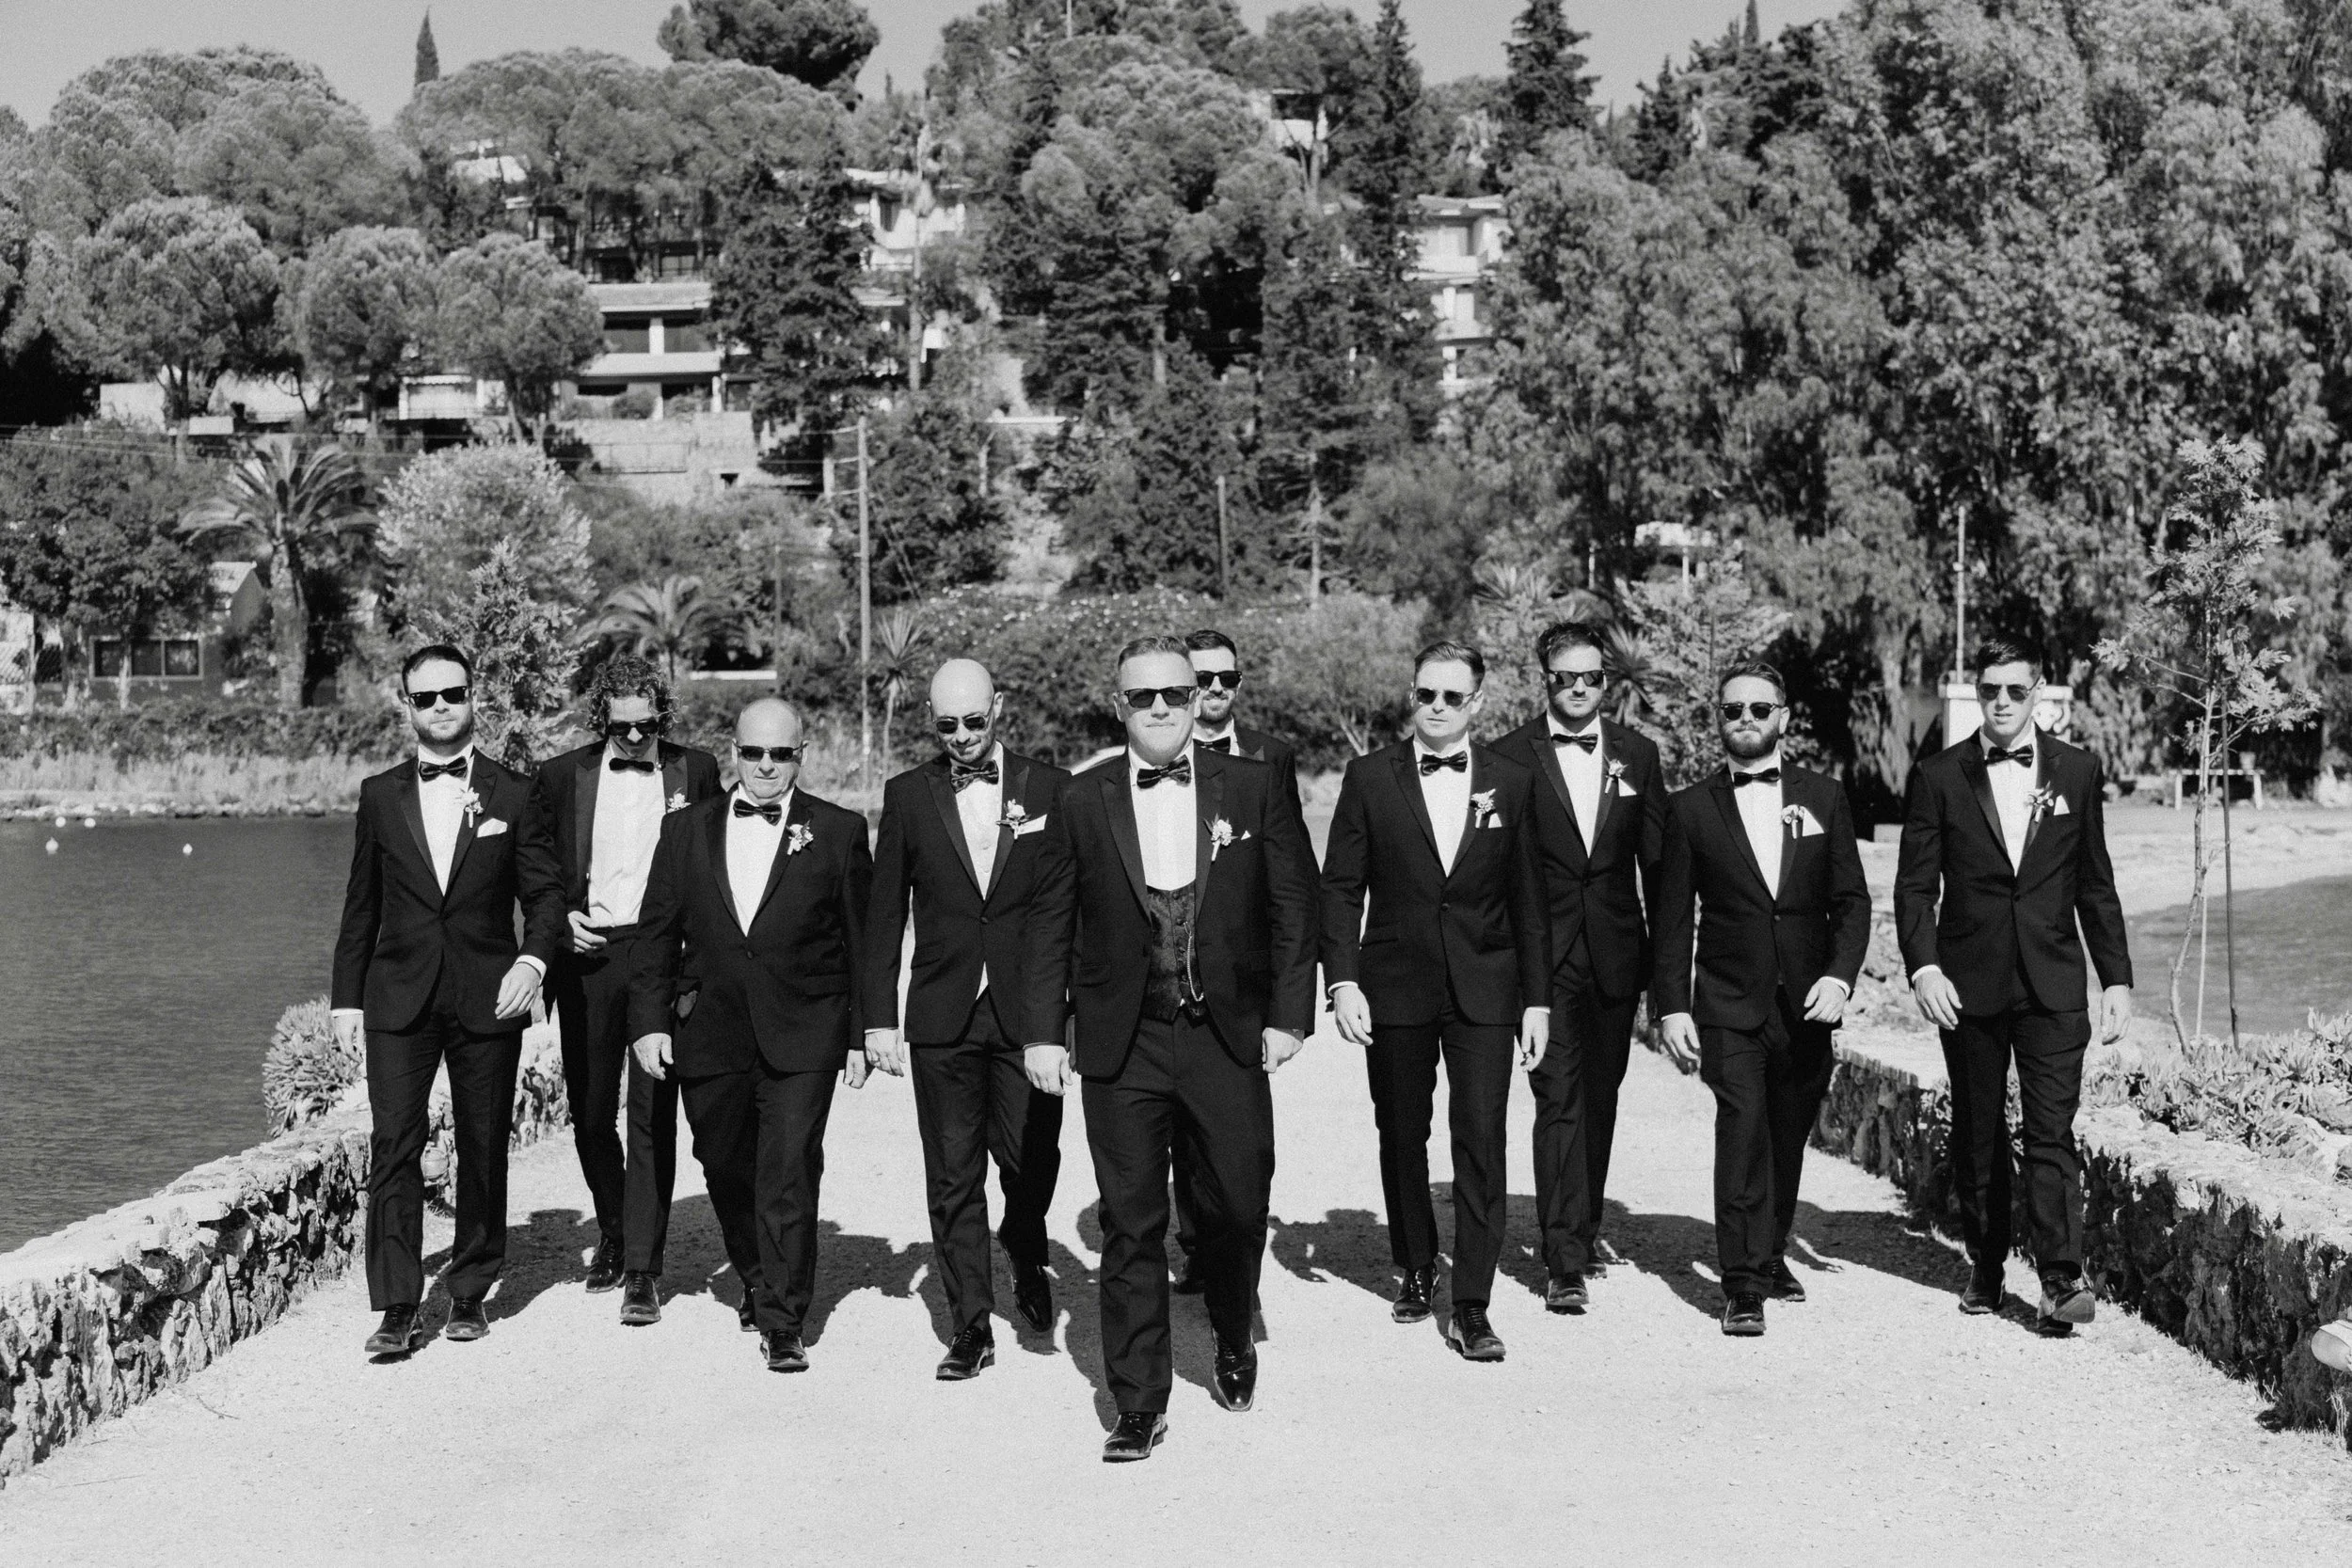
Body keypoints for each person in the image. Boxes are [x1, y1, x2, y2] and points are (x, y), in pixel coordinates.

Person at [1020, 635, 1317, 1462]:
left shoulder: (1254, 787)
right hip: (1123, 1042)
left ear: (1198, 701)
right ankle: (1139, 1400)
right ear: (1118, 704)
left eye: (1176, 695)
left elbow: (1294, 904)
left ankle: (1231, 1329)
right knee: (1132, 1222)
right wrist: (1045, 1030)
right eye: (1143, 696)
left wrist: (1290, 1015)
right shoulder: (1080, 799)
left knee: (1236, 1203)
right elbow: (1050, 924)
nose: (1160, 708)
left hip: (1226, 1037)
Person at [627, 698, 874, 1374]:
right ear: (733, 751)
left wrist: (863, 1030)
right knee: (724, 1162)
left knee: (788, 1167)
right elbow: (655, 936)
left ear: (802, 754)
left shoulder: (841, 830)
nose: (767, 766)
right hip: (709, 1029)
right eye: (754, 753)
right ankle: (759, 1272)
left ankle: (783, 1318)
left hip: (806, 1030)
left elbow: (864, 942)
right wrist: (648, 1023)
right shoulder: (685, 831)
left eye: (782, 754)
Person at [1321, 640, 1549, 1362]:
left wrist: (1537, 1002)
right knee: (1402, 1132)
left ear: (1477, 702)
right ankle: (1416, 1265)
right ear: (1411, 695)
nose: (1438, 707)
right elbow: (1339, 888)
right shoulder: (1369, 777)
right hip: (1395, 984)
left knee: (1481, 1137)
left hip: (1486, 987)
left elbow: (1531, 900)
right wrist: (1343, 979)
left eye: (1453, 696)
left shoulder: (1515, 780)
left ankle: (1472, 1303)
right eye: (1426, 694)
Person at [1895, 638, 2132, 1334]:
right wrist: (1924, 965)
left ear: (2040, 693)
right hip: (1966, 985)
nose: (2001, 702)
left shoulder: (2079, 771)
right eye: (1990, 690)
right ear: (1978, 692)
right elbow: (1914, 888)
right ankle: (1987, 1263)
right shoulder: (1939, 775)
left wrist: (2115, 977)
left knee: (2051, 1131)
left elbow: (2096, 883)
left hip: (2054, 982)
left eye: (2014, 691)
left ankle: (2060, 1277)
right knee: (1978, 1131)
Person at [332, 645, 563, 1357]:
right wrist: (346, 1001)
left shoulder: (515, 794)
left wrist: (532, 960)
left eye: (452, 693)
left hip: (486, 996)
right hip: (397, 998)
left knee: (484, 1143)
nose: (440, 706)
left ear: (473, 697)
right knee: (394, 1146)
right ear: (407, 705)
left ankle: (469, 1289)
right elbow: (360, 907)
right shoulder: (378, 794)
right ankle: (398, 1304)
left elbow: (547, 898)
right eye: (425, 697)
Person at [862, 658, 1070, 1379]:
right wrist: (878, 1019)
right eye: (945, 723)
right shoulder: (909, 795)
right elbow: (883, 912)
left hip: (1028, 1016)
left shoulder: (1050, 788)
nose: (960, 737)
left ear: (999, 709)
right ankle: (971, 1325)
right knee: (952, 1176)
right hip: (943, 1013)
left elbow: (1069, 909)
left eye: (974, 721)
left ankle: (1025, 1239)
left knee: (1030, 1159)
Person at [1652, 662, 1870, 1337]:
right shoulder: (1689, 807)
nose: (1744, 719)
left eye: (1758, 708)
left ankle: (1771, 1251)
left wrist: (1838, 977)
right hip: (1728, 1001)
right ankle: (1741, 1283)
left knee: (1786, 1132)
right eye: (1732, 709)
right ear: (1719, 719)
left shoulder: (1825, 797)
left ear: (1784, 715)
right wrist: (1672, 1005)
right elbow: (1672, 916)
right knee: (1742, 1128)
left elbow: (1852, 901)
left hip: (1807, 1003)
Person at [517, 655, 722, 1326]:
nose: (636, 739)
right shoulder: (559, 775)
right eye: (623, 728)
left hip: (661, 953)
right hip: (591, 953)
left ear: (662, 715)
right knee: (591, 1111)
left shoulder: (697, 771)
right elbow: (541, 869)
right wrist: (557, 919)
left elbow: (717, 861)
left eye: (647, 725)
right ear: (602, 718)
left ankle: (643, 1267)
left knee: (651, 1113)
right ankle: (613, 1224)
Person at [1490, 622, 1668, 1313]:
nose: (1578, 688)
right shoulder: (1508, 758)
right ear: (1546, 680)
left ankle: (1584, 1226)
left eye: (1591, 677)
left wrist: (1666, 979)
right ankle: (1563, 1258)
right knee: (1556, 1098)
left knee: (1600, 1097)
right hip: (1541, 959)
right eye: (1565, 676)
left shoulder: (1639, 755)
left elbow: (1659, 868)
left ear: (1606, 682)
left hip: (1617, 955)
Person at [1170, 626, 1301, 1295]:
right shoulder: (1151, 754)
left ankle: (1233, 1247)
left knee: (1240, 1138)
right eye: (1203, 679)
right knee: (1178, 1135)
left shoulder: (1271, 759)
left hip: (1238, 982)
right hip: (1168, 978)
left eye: (1227, 679)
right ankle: (1196, 1244)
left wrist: (1290, 1007)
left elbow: (1289, 883)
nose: (1215, 690)